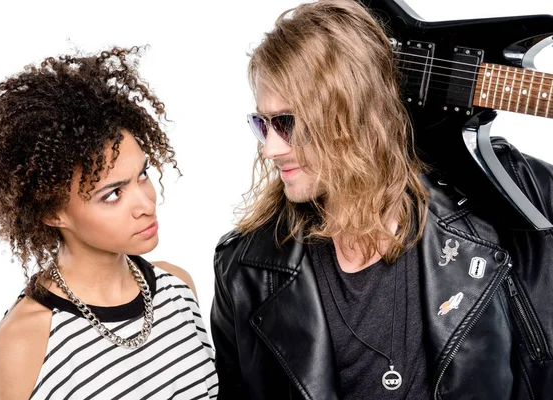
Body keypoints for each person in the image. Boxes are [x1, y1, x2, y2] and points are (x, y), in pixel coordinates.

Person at [210, 1, 553, 399]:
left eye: (287, 123)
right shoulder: (244, 272)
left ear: (353, 115)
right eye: (262, 124)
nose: (270, 149)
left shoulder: (508, 197)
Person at [0, 47, 218, 399]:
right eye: (113, 194)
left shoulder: (178, 289)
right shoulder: (23, 343)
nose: (146, 203)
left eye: (142, 175)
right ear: (52, 212)